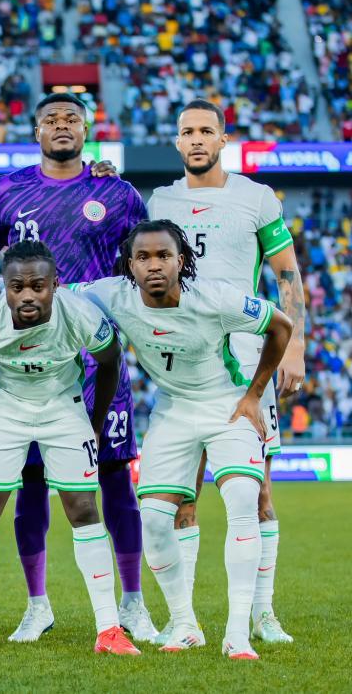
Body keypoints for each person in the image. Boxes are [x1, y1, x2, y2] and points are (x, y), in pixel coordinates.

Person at [0, 93, 157, 643]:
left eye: (72, 118)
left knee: (116, 476)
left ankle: (133, 602)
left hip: (97, 358)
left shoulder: (116, 193)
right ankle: (37, 603)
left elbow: (138, 266)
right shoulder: (6, 191)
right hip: (22, 362)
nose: (61, 126)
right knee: (28, 481)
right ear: (35, 129)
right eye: (50, 119)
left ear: (89, 128)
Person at [56, 221, 291, 660]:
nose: (154, 265)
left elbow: (281, 325)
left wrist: (255, 394)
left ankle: (237, 631)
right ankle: (184, 623)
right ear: (130, 265)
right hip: (173, 408)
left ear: (181, 261)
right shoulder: (112, 294)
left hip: (226, 404)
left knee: (243, 496)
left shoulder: (216, 298)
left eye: (163, 255)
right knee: (155, 519)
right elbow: (50, 288)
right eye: (143, 258)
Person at [147, 99, 305, 644]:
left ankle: (262, 613)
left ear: (223, 138)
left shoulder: (255, 198)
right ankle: (183, 618)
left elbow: (287, 275)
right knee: (181, 495)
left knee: (258, 493)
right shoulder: (161, 200)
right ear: (176, 141)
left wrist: (295, 347)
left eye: (205, 131)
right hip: (184, 367)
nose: (196, 139)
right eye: (187, 131)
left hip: (246, 365)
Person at [0, 241, 140, 657]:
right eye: (17, 287)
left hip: (62, 407)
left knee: (84, 509)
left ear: (55, 285)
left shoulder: (79, 312)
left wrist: (95, 422)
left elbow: (110, 359)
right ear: (6, 288)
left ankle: (108, 630)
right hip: (4, 407)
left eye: (37, 286)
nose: (27, 295)